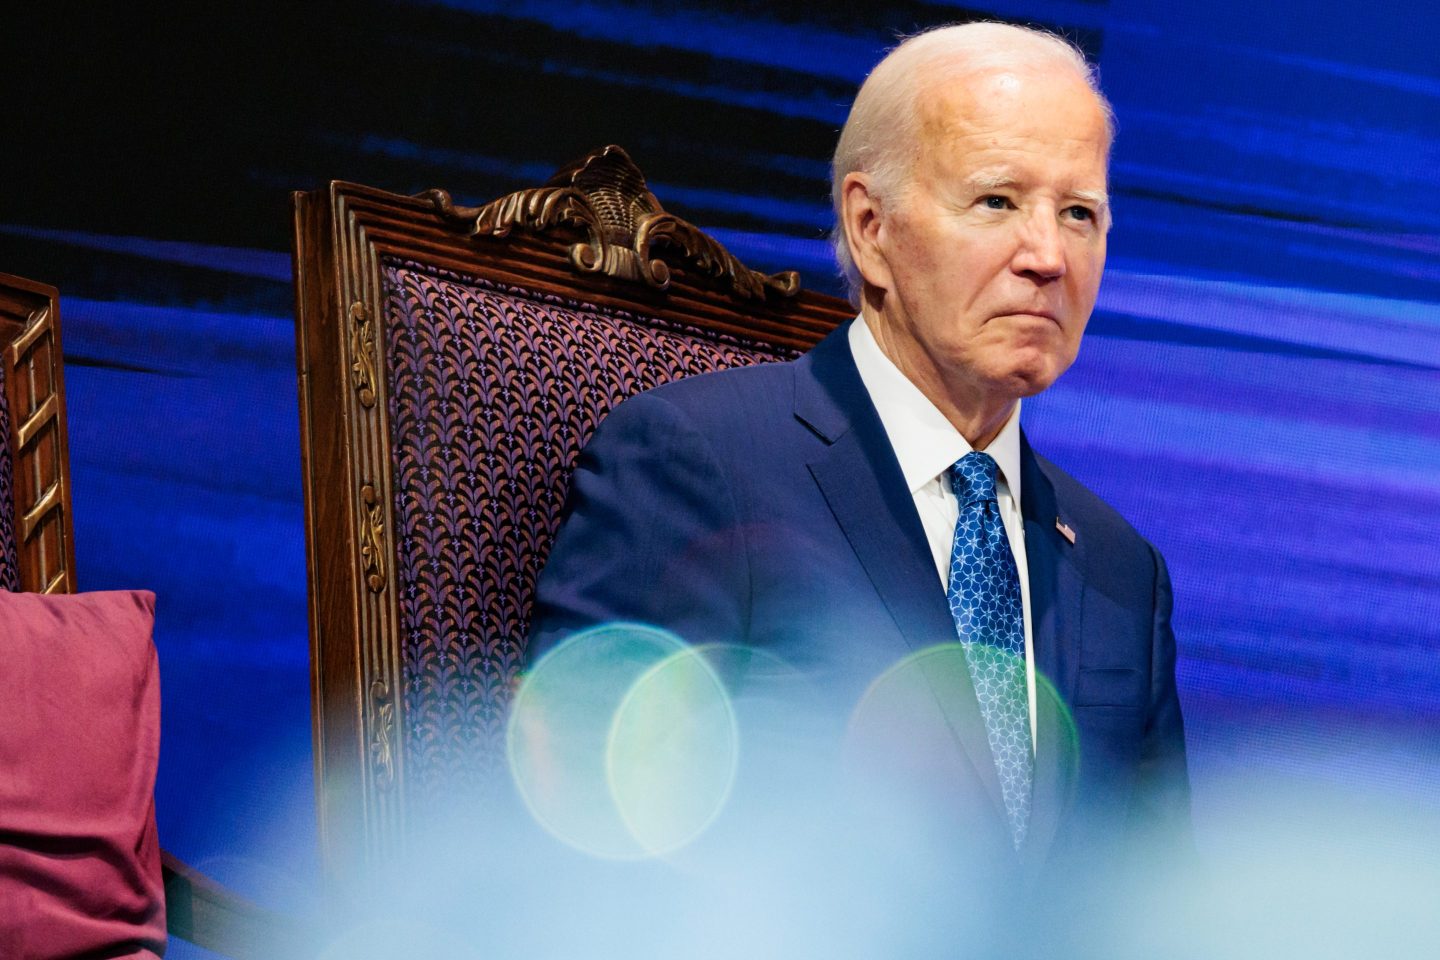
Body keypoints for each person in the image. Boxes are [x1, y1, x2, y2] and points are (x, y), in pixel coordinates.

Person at [528, 21, 1190, 886]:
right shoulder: (697, 464)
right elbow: (588, 841)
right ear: (871, 227)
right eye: (997, 201)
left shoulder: (1121, 569)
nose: (1047, 257)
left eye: (1080, 214)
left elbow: (1159, 904)